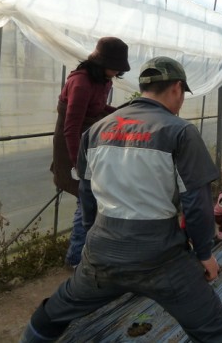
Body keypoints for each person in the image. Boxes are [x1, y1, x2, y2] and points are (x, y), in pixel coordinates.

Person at [21, 57, 222, 343]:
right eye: (183, 94)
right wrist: (204, 253)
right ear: (176, 88)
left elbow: (87, 196)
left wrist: (92, 237)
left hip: (101, 253)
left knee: (51, 315)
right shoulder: (179, 131)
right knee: (215, 328)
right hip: (161, 257)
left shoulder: (96, 131)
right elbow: (196, 204)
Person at [50, 36, 130, 268]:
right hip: (72, 145)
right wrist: (78, 164)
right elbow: (71, 126)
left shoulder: (104, 80)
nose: (117, 72)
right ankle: (76, 258)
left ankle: (85, 254)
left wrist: (119, 112)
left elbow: (95, 108)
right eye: (115, 67)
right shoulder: (82, 82)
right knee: (86, 200)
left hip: (91, 141)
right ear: (102, 62)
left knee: (92, 200)